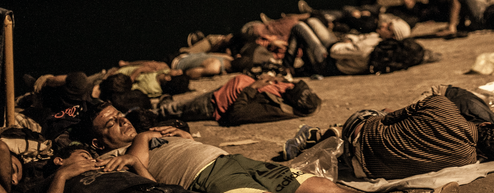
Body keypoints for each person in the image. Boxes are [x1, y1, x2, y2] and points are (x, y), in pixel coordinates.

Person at [81, 102, 351, 193]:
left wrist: (182, 137)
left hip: (232, 159)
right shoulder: (112, 159)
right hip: (205, 176)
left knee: (323, 187)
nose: (122, 121)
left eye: (119, 115)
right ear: (97, 142)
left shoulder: (153, 135)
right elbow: (146, 182)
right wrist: (145, 137)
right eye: (111, 124)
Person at [339, 91, 494, 179]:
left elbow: (390, 118)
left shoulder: (442, 103)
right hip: (364, 170)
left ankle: (337, 133)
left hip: (357, 131)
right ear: (484, 156)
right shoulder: (467, 161)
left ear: (486, 123)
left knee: (384, 112)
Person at [18, 143, 197, 193]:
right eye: (84, 156)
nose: (93, 161)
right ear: (59, 160)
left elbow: (151, 184)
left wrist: (134, 162)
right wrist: (62, 176)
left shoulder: (107, 168)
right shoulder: (53, 182)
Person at [154, 73, 321, 126]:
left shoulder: (276, 109)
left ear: (293, 99)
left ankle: (151, 114)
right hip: (218, 93)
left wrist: (253, 87)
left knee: (170, 111)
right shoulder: (287, 92)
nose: (289, 85)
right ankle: (165, 105)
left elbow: (237, 114)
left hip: (212, 105)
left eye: (292, 88)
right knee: (176, 105)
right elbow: (280, 84)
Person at [282, 16, 412, 76]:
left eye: (387, 27)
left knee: (299, 27)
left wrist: (343, 43)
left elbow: (334, 52)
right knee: (312, 21)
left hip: (328, 62)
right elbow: (359, 37)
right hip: (339, 50)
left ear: (393, 36)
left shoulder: (368, 48)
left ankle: (287, 68)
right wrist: (349, 40)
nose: (383, 25)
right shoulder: (379, 39)